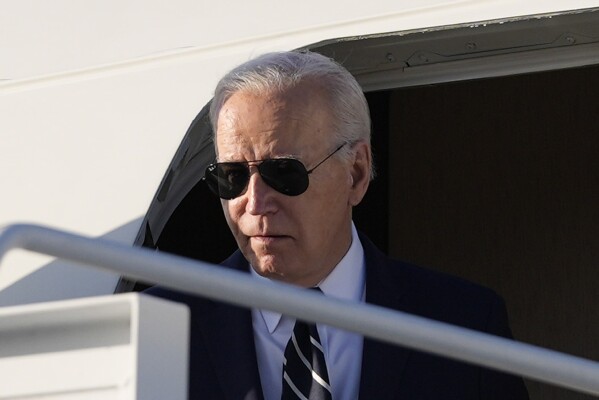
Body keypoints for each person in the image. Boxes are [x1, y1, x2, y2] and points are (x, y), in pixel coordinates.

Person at [147, 50, 529, 399]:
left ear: (357, 172)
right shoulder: (155, 328)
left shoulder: (465, 323)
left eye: (284, 172)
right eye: (232, 176)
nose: (255, 203)